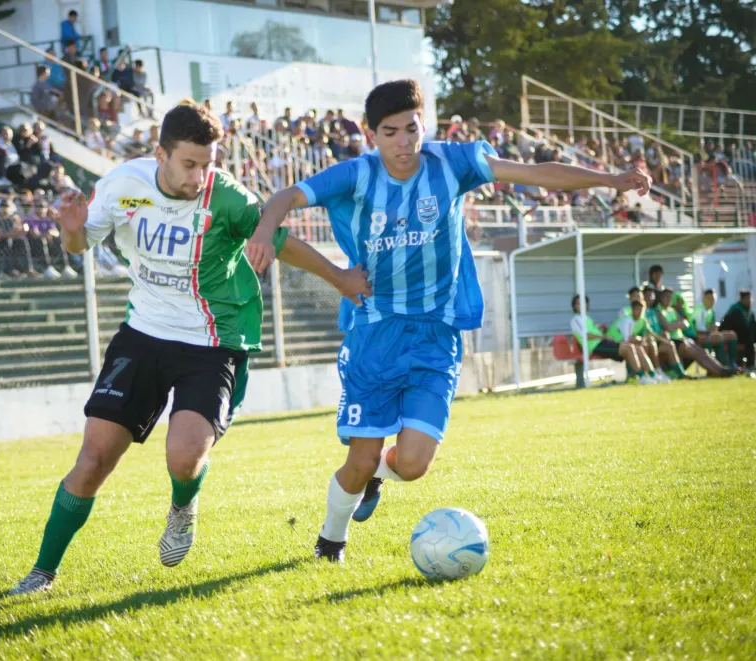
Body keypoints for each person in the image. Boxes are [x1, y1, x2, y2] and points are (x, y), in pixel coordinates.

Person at [244, 79, 655, 563]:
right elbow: (284, 197)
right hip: (374, 329)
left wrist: (609, 181)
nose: (403, 142)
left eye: (411, 129)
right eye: (390, 132)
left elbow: (535, 173)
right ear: (370, 133)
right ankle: (330, 541)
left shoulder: (453, 163)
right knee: (360, 458)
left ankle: (380, 477)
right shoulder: (356, 175)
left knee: (414, 464)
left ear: (424, 123)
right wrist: (271, 235)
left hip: (437, 332)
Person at [8, 101, 372, 595]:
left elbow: (282, 242)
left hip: (213, 341)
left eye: (209, 162)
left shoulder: (226, 198)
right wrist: (71, 228)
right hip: (142, 334)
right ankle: (41, 572)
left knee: (183, 457)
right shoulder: (123, 185)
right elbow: (78, 246)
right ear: (160, 153)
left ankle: (182, 506)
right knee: (93, 460)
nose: (200, 175)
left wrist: (340, 279)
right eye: (189, 164)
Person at [571, 295, 656, 381]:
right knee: (629, 348)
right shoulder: (576, 319)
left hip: (603, 343)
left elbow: (591, 330)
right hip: (596, 346)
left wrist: (601, 328)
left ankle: (653, 375)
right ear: (574, 306)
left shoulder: (586, 318)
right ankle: (641, 377)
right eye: (578, 304)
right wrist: (604, 336)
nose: (582, 306)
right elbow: (586, 335)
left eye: (583, 303)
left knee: (638, 348)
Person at [655, 288, 735, 377]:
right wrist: (678, 324)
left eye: (670, 297)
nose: (669, 299)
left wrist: (675, 325)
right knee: (695, 352)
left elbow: (685, 323)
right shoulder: (659, 311)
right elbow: (668, 327)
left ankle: (720, 368)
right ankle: (717, 371)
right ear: (661, 298)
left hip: (681, 338)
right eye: (666, 297)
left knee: (701, 352)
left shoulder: (672, 310)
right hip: (674, 340)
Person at [690, 289, 739, 368]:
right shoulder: (700, 310)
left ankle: (732, 363)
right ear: (703, 299)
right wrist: (712, 330)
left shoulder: (711, 311)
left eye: (713, 299)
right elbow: (700, 331)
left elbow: (710, 329)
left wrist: (714, 329)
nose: (711, 301)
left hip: (707, 334)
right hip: (696, 337)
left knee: (732, 335)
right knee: (718, 337)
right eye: (708, 298)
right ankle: (720, 366)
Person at [720, 290, 755, 372]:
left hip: (744, 338)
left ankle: (751, 365)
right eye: (747, 299)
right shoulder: (735, 310)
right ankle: (749, 365)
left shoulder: (750, 313)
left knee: (751, 337)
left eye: (750, 299)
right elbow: (735, 327)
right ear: (742, 300)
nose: (749, 301)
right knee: (749, 340)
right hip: (732, 336)